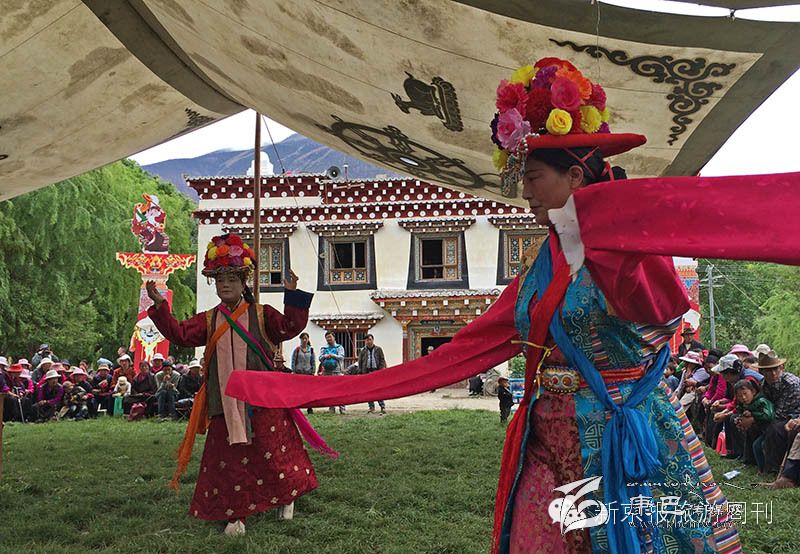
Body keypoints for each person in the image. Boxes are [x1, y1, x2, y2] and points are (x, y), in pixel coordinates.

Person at [226, 57, 751, 553]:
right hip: (547, 434)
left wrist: (618, 236)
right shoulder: (544, 265)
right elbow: (460, 351)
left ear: (575, 176)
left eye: (533, 177)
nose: (525, 192)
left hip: (619, 432)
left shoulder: (627, 247)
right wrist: (306, 388)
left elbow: (657, 308)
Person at [145, 233, 330, 535]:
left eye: (231, 279)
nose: (225, 285)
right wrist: (160, 306)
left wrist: (292, 294)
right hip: (224, 403)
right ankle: (236, 514)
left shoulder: (262, 315)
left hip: (262, 402)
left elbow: (290, 327)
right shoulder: (208, 320)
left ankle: (287, 497)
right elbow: (179, 334)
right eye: (220, 280)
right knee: (228, 461)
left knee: (274, 454)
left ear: (244, 282)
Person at [757, 350, 800, 474]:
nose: (773, 373)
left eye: (775, 369)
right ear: (762, 372)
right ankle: (749, 459)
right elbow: (763, 405)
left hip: (793, 413)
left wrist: (756, 418)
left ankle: (774, 467)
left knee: (775, 429)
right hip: (778, 413)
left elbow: (781, 413)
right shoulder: (764, 384)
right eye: (768, 370)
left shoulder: (791, 383)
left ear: (781, 367)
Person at [357, 334, 387, 414]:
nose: (368, 341)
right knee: (369, 391)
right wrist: (360, 372)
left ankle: (382, 406)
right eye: (367, 340)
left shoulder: (378, 349)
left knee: (378, 390)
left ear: (373, 340)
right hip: (366, 372)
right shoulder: (363, 350)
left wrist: (381, 371)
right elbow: (360, 362)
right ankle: (371, 407)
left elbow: (382, 360)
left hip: (376, 371)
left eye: (370, 339)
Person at [319, 331, 346, 414]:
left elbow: (341, 357)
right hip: (327, 371)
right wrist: (325, 356)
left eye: (330, 337)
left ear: (334, 337)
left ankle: (342, 408)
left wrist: (333, 355)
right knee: (330, 391)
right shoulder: (323, 348)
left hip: (337, 371)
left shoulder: (339, 347)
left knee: (340, 390)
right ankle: (331, 408)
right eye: (327, 337)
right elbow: (320, 358)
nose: (328, 339)